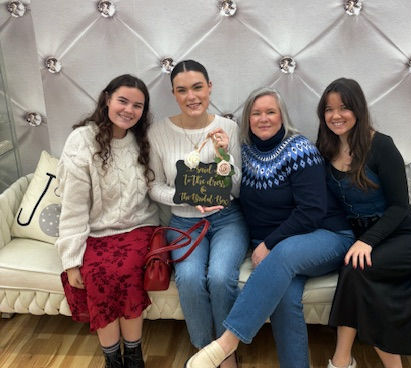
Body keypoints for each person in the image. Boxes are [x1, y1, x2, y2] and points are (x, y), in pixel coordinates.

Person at [185, 87, 355, 368]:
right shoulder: (245, 151)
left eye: (270, 112)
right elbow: (230, 187)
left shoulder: (300, 149)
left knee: (283, 254)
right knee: (284, 299)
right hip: (283, 250)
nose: (263, 118)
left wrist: (269, 244)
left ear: (282, 116)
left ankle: (226, 343)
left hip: (327, 236)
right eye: (256, 113)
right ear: (247, 119)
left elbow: (312, 211)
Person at [316, 78, 411, 368]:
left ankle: (343, 361)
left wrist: (367, 241)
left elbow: (399, 206)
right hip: (362, 235)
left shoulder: (381, 145)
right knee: (354, 271)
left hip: (403, 234)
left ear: (358, 109)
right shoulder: (325, 148)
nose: (336, 115)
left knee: (355, 271)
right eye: (329, 109)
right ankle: (344, 360)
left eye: (343, 107)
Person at [148, 60, 250, 368]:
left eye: (197, 87)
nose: (191, 96)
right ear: (173, 94)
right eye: (182, 90)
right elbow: (154, 186)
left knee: (220, 277)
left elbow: (237, 188)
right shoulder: (158, 132)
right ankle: (206, 351)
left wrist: (223, 155)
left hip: (227, 219)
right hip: (183, 222)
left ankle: (226, 352)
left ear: (209, 88)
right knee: (190, 279)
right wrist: (186, 199)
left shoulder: (228, 128)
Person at [56, 74, 160, 368]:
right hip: (96, 233)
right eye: (122, 101)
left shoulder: (143, 140)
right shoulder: (82, 141)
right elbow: (73, 206)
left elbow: (156, 189)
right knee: (98, 274)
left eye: (137, 106)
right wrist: (71, 260)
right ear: (107, 99)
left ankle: (134, 358)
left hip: (139, 227)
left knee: (126, 271)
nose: (129, 110)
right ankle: (113, 360)